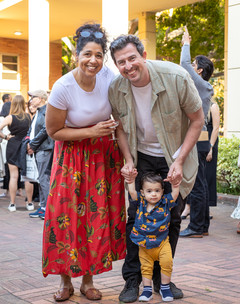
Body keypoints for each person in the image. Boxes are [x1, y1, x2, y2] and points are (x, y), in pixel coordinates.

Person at [108, 34, 204, 302]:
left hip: (175, 155)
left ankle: (164, 281)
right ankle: (132, 280)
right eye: (121, 62)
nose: (128, 66)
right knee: (135, 217)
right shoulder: (117, 88)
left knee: (171, 218)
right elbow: (121, 129)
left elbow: (197, 120)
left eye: (131, 58)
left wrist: (180, 160)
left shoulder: (176, 77)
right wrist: (128, 159)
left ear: (144, 55)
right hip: (142, 158)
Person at [42, 23, 126, 302]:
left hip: (103, 157)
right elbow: (54, 131)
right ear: (76, 56)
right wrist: (92, 131)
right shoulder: (63, 86)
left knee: (95, 216)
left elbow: (121, 114)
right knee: (65, 217)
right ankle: (65, 281)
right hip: (71, 158)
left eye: (99, 55)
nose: (94, 60)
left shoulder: (108, 78)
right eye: (88, 54)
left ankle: (88, 280)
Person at [179, 27, 214, 238]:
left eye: (194, 66)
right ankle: (202, 227)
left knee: (196, 185)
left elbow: (183, 65)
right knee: (200, 183)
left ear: (199, 71)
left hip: (198, 140)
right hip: (201, 140)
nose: (191, 68)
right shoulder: (204, 86)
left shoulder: (201, 85)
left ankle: (196, 227)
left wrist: (186, 43)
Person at [127, 172, 179, 302]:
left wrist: (175, 184)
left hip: (162, 243)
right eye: (149, 191)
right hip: (144, 244)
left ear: (162, 191)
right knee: (145, 267)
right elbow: (132, 192)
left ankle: (165, 287)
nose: (154, 194)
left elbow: (175, 194)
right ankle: (147, 289)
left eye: (157, 190)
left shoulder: (165, 202)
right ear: (143, 192)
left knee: (167, 262)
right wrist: (131, 180)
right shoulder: (141, 201)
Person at [21, 90, 55, 220]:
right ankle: (42, 206)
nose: (31, 100)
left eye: (33, 97)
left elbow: (45, 129)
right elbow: (32, 130)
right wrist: (29, 142)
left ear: (40, 98)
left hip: (44, 149)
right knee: (40, 179)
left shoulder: (46, 111)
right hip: (38, 148)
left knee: (43, 179)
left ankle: (46, 208)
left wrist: (32, 144)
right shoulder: (38, 112)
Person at [0, 95, 31, 211]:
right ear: (24, 104)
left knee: (13, 176)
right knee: (27, 176)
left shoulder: (9, 117)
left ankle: (12, 204)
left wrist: (6, 137)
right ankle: (29, 203)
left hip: (12, 145)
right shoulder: (29, 117)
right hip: (25, 146)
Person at [206, 101, 220, 207]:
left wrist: (210, 148)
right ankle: (190, 206)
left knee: (208, 175)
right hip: (199, 141)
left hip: (211, 141)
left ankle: (207, 206)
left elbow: (216, 128)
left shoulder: (213, 106)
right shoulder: (196, 103)